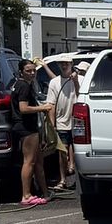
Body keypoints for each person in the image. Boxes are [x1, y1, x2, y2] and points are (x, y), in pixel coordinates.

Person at [10, 59, 54, 206]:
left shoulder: (19, 84)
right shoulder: (23, 86)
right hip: (26, 127)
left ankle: (45, 192)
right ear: (21, 72)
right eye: (28, 71)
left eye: (34, 70)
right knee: (29, 161)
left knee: (38, 161)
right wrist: (42, 108)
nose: (32, 73)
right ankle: (26, 195)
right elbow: (23, 108)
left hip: (28, 126)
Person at [45, 58, 81, 191]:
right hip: (61, 122)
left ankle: (78, 178)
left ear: (72, 64)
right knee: (62, 152)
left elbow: (81, 97)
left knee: (79, 152)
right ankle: (63, 179)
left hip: (78, 122)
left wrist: (76, 81)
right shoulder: (54, 82)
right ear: (58, 65)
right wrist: (52, 124)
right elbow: (51, 104)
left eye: (67, 63)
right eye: (61, 63)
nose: (64, 65)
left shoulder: (80, 79)